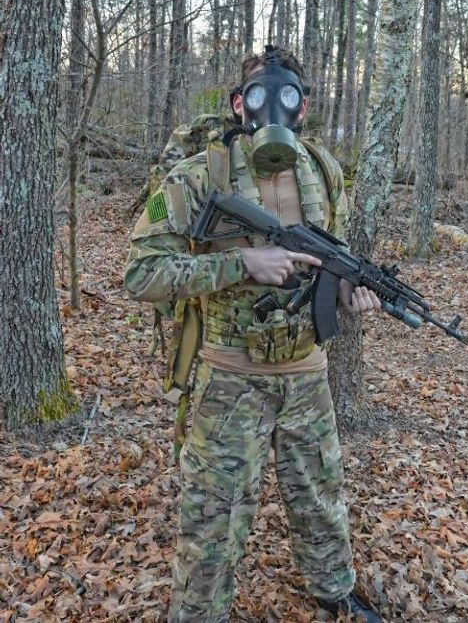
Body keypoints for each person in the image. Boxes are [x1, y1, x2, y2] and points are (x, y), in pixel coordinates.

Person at [124, 46, 385, 623]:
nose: (273, 106)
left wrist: (349, 292)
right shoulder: (197, 177)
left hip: (306, 376)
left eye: (287, 95)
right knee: (214, 514)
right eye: (259, 95)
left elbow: (329, 266)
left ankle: (334, 591)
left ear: (304, 106)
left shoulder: (324, 171)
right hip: (229, 377)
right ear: (240, 104)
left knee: (319, 497)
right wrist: (243, 264)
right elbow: (142, 275)